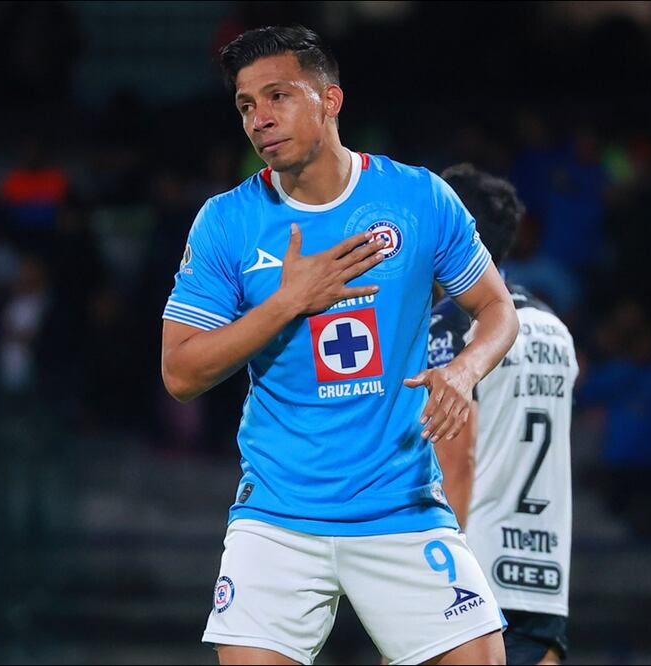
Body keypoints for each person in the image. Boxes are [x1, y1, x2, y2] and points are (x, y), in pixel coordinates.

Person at [159, 26, 519, 666]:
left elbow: (497, 309)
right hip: (277, 512)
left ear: (331, 100)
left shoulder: (418, 198)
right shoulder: (227, 221)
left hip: (400, 503)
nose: (260, 119)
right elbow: (181, 371)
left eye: (278, 96)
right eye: (246, 106)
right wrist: (286, 302)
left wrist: (463, 372)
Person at [428, 164, 578, 665]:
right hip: (544, 575)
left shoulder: (454, 326)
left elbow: (458, 458)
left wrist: (434, 588)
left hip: (472, 582)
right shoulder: (555, 328)